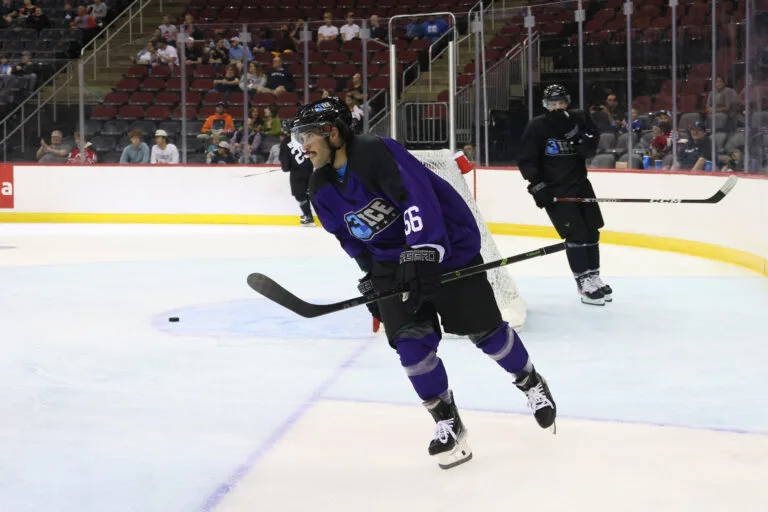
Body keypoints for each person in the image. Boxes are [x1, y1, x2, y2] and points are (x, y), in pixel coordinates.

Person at [292, 97, 556, 469]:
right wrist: (370, 275)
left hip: (446, 249)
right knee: (411, 347)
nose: (303, 145)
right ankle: (447, 422)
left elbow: (418, 198)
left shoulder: (374, 151)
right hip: (391, 266)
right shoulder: (319, 186)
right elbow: (350, 238)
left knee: (485, 333)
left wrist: (423, 250)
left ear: (332, 132)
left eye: (308, 136)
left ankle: (529, 381)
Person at [517, 84, 611, 305]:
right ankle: (582, 282)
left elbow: (590, 148)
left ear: (567, 101)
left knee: (592, 230)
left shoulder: (579, 118)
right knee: (576, 234)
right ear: (545, 105)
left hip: (581, 184)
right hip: (556, 190)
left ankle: (593, 276)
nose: (556, 107)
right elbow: (526, 160)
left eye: (560, 102)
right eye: (552, 104)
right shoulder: (537, 126)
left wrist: (574, 134)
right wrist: (538, 187)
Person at [279, 120, 315, 226]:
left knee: (300, 195)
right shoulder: (303, 138)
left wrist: (286, 168)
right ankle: (309, 215)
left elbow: (285, 162)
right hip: (309, 169)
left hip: (297, 172)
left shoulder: (285, 142)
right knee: (308, 193)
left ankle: (308, 216)